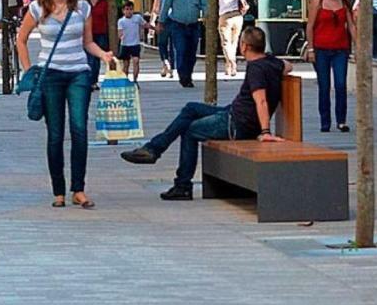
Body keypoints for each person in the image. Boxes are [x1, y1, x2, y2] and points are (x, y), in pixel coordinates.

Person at [121, 27, 290, 200]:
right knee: (191, 108)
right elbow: (288, 66)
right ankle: (153, 149)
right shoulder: (272, 62)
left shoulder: (256, 69)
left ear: (244, 46)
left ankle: (182, 185)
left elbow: (261, 101)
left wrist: (265, 132)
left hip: (236, 124)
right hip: (233, 113)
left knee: (190, 130)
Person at [15, 0, 117, 209]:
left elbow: (88, 42)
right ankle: (58, 191)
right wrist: (30, 71)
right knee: (56, 134)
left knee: (79, 128)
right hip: (50, 75)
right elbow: (21, 40)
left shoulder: (82, 7)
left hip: (78, 74)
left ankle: (78, 189)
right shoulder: (38, 8)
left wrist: (103, 55)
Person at [306, 0, 355, 133]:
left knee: (340, 85)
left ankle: (341, 120)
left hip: (340, 49)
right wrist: (311, 49)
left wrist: (358, 45)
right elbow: (310, 26)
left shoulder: (344, 3)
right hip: (321, 50)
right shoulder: (317, 3)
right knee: (324, 86)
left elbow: (351, 26)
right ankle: (325, 121)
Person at [157, 0, 205, 88]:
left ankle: (188, 75)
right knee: (181, 50)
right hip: (178, 25)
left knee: (191, 53)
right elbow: (165, 5)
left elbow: (205, 5)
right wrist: (161, 22)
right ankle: (183, 77)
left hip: (194, 25)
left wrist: (207, 17)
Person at [217, 0, 252, 78]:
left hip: (225, 16)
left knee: (226, 42)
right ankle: (229, 67)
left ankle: (231, 62)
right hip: (237, 16)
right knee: (234, 41)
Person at [81, 0, 110, 91]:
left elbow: (107, 17)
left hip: (100, 32)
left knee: (97, 59)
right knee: (89, 58)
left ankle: (93, 81)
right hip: (87, 33)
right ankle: (88, 80)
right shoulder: (83, 2)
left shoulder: (103, 2)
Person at [116, 2, 149, 83]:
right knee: (126, 65)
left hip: (135, 44)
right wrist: (120, 36)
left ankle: (135, 80)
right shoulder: (121, 21)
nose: (129, 11)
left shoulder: (137, 18)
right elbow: (119, 32)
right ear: (123, 11)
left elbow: (145, 24)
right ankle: (125, 80)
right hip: (125, 45)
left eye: (131, 9)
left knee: (136, 61)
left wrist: (155, 28)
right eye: (127, 9)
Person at [151, 0, 174, 78]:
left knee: (162, 44)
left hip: (162, 20)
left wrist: (152, 22)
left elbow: (155, 9)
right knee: (173, 45)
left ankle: (165, 62)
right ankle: (171, 67)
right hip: (174, 21)